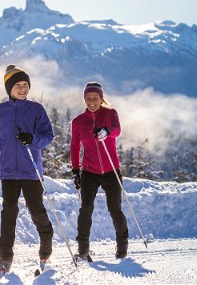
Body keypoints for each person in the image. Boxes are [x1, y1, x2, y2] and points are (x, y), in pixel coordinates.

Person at [0, 64, 54, 274]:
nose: (23, 89)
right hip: (8, 172)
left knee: (36, 210)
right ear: (9, 88)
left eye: (26, 85)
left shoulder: (36, 109)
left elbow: (48, 136)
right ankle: (5, 258)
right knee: (9, 214)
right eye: (18, 85)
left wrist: (32, 139)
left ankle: (46, 240)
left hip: (31, 171)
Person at [70, 82, 129, 260]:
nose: (92, 101)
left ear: (101, 98)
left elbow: (117, 130)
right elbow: (74, 147)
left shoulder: (111, 114)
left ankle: (122, 247)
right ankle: (83, 250)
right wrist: (75, 170)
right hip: (89, 171)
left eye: (95, 98)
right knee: (85, 209)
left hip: (111, 170)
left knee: (115, 209)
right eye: (88, 98)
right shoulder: (78, 121)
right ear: (84, 99)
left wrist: (107, 131)